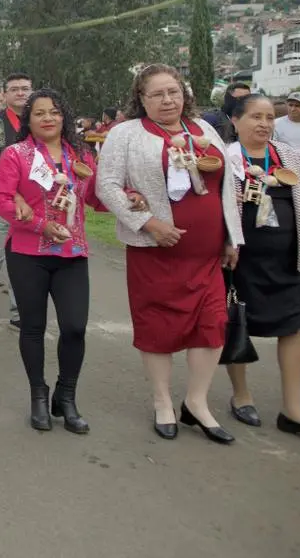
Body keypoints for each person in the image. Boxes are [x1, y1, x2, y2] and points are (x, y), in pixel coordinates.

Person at [96, 63, 242, 444]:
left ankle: (196, 403)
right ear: (141, 99)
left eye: (173, 91)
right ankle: (162, 402)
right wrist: (147, 223)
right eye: (157, 94)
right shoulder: (125, 134)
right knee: (158, 327)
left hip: (207, 254)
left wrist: (232, 237)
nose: (167, 100)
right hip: (155, 252)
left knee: (211, 328)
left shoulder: (205, 129)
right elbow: (106, 185)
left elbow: (227, 187)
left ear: (185, 93)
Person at [0, 89, 102, 433]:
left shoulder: (80, 154)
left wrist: (131, 198)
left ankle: (65, 397)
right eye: (39, 113)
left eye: (54, 111)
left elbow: (97, 195)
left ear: (64, 116)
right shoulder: (16, 154)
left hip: (72, 253)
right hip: (27, 253)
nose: (48, 118)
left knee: (74, 327)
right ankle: (38, 395)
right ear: (29, 119)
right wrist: (39, 224)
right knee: (33, 327)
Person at [221, 94, 300, 438]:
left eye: (270, 117)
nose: (264, 124)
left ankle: (293, 408)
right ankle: (241, 395)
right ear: (235, 121)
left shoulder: (291, 157)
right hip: (240, 260)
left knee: (295, 327)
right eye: (256, 116)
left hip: (289, 261)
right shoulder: (225, 159)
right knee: (238, 322)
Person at [0, 72, 32, 329]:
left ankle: (21, 312)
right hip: (0, 203)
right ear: (4, 95)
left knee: (23, 259)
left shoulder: (42, 123)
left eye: (25, 88)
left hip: (31, 206)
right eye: (14, 89)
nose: (20, 93)